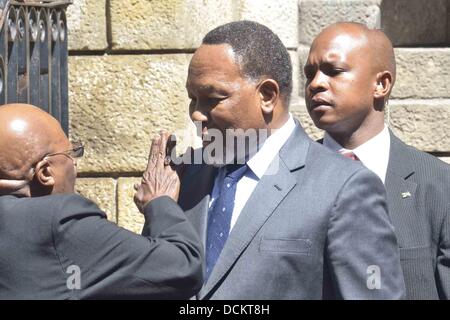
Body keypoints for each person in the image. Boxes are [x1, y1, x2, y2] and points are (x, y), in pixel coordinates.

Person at [162, 20, 406, 299]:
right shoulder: (182, 177)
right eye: (193, 98)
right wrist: (159, 209)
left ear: (267, 95)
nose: (196, 113)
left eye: (212, 97)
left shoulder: (344, 186)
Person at [304, 22, 450, 299]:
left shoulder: (441, 187)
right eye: (309, 74)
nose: (315, 84)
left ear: (381, 84)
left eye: (333, 71)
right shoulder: (282, 180)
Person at [0, 103, 203, 299]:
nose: (75, 164)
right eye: (72, 154)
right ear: (45, 172)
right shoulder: (57, 221)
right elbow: (183, 267)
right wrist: (160, 202)